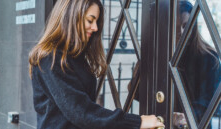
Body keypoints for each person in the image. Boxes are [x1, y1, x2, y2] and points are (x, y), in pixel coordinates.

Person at [28, 0, 165, 129]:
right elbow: (82, 112)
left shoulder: (73, 56)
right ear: (70, 17)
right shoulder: (51, 57)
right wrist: (139, 122)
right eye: (90, 20)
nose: (95, 27)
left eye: (96, 22)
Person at [174, 1, 221, 128]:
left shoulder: (209, 57)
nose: (180, 32)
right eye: (175, 26)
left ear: (193, 25)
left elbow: (211, 102)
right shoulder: (161, 54)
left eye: (185, 26)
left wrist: (182, 117)